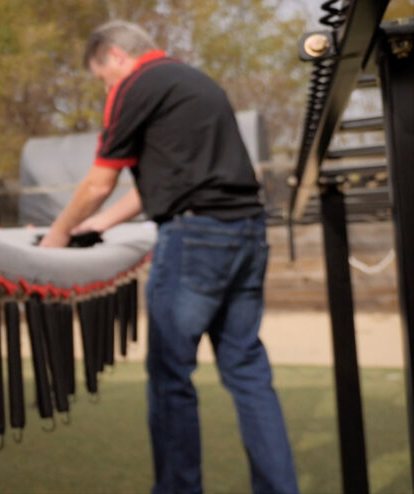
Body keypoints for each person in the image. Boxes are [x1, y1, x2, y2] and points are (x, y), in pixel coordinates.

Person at [39, 20, 298, 494]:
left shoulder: (135, 85)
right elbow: (169, 180)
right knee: (247, 373)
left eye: (102, 77)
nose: (105, 87)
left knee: (170, 377)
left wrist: (54, 237)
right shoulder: (195, 83)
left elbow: (99, 181)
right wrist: (99, 226)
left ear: (115, 56)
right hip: (248, 233)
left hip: (196, 238)